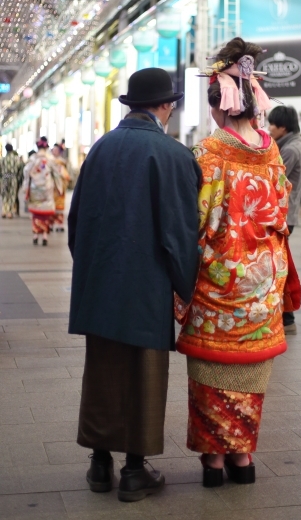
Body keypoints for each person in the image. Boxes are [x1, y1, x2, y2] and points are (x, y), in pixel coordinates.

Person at [68, 68, 201, 503]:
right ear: (166, 106)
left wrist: (92, 271)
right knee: (144, 374)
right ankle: (133, 470)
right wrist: (189, 288)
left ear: (130, 106)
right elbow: (180, 235)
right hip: (146, 289)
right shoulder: (175, 156)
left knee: (103, 371)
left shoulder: (100, 149)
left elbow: (76, 225)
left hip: (100, 285)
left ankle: (99, 464)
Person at [175, 37, 296, 488]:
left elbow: (196, 222)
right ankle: (242, 457)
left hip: (217, 289)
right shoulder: (271, 154)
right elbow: (280, 216)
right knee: (249, 378)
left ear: (221, 103)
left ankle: (212, 461)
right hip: (263, 287)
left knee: (209, 377)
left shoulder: (208, 155)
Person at [268, 105, 301, 335]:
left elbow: (273, 178)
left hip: (283, 216)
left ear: (284, 127)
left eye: (273, 124)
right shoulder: (289, 145)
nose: (269, 128)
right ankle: (286, 317)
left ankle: (288, 318)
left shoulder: (290, 149)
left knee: (280, 267)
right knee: (281, 265)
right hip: (284, 215)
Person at [23, 137, 62, 246]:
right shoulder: (50, 159)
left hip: (35, 188)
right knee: (45, 213)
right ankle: (44, 235)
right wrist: (59, 188)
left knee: (36, 212)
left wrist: (26, 186)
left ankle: (35, 235)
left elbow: (26, 172)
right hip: (47, 189)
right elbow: (57, 174)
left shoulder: (33, 158)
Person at [0, 143, 23, 219]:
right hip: (13, 178)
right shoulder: (16, 159)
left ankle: (4, 211)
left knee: (4, 194)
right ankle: (9, 212)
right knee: (12, 195)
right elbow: (20, 169)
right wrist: (19, 179)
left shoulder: (3, 159)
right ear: (12, 149)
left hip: (5, 178)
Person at [51, 143, 70, 232]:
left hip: (59, 187)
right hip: (51, 187)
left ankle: (59, 224)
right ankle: (50, 224)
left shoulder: (61, 163)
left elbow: (66, 175)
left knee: (59, 206)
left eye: (56, 150)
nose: (54, 152)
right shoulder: (49, 162)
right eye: (53, 150)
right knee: (51, 206)